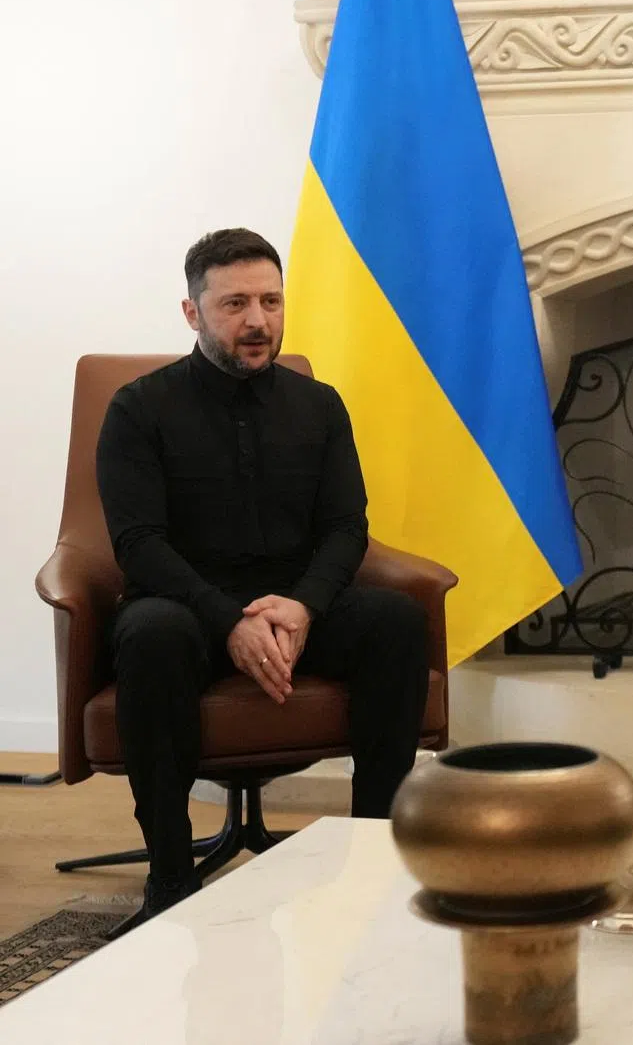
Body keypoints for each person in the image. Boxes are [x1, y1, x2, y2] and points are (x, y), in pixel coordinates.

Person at [95, 228, 429, 921]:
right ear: (193, 313)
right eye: (235, 303)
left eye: (271, 301)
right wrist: (230, 622)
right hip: (186, 608)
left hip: (295, 604)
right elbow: (137, 544)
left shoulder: (320, 404)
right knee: (150, 634)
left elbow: (346, 528)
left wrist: (304, 607)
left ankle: (372, 855)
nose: (257, 321)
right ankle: (170, 877)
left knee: (395, 620)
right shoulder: (137, 409)